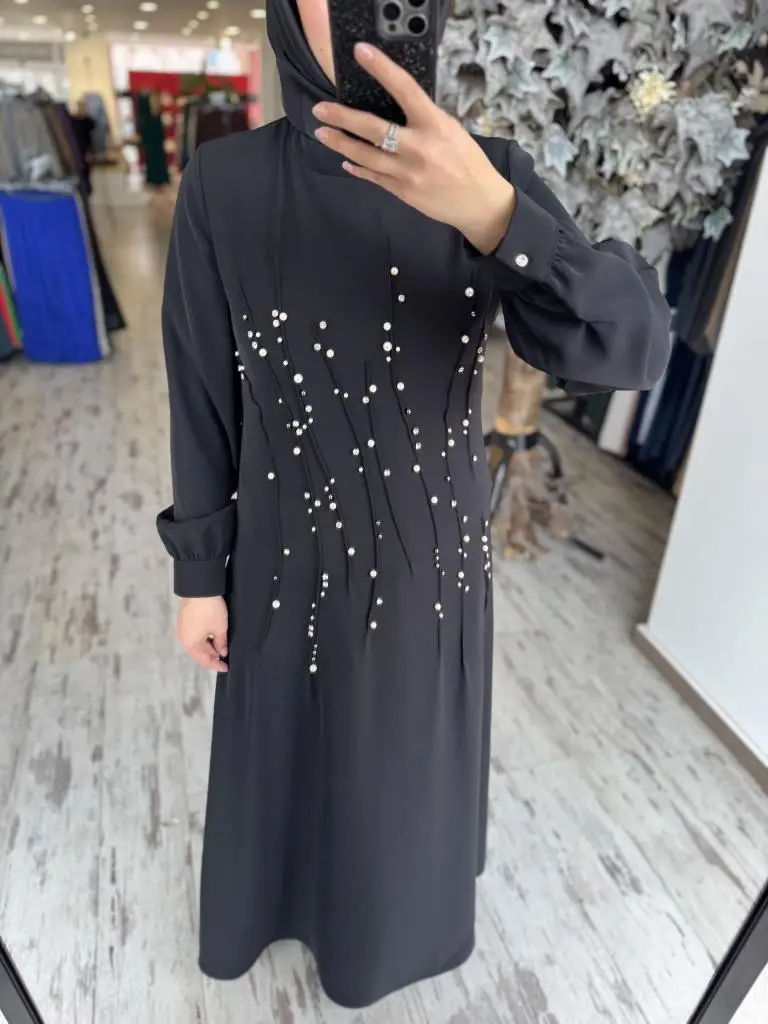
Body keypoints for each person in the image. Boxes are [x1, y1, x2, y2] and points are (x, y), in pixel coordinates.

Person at [157, 0, 671, 1009]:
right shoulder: (223, 180)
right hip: (280, 553)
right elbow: (201, 391)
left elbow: (633, 350)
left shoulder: (485, 172)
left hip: (427, 560)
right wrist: (198, 574)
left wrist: (498, 217)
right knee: (291, 748)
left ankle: (387, 935)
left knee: (398, 765)